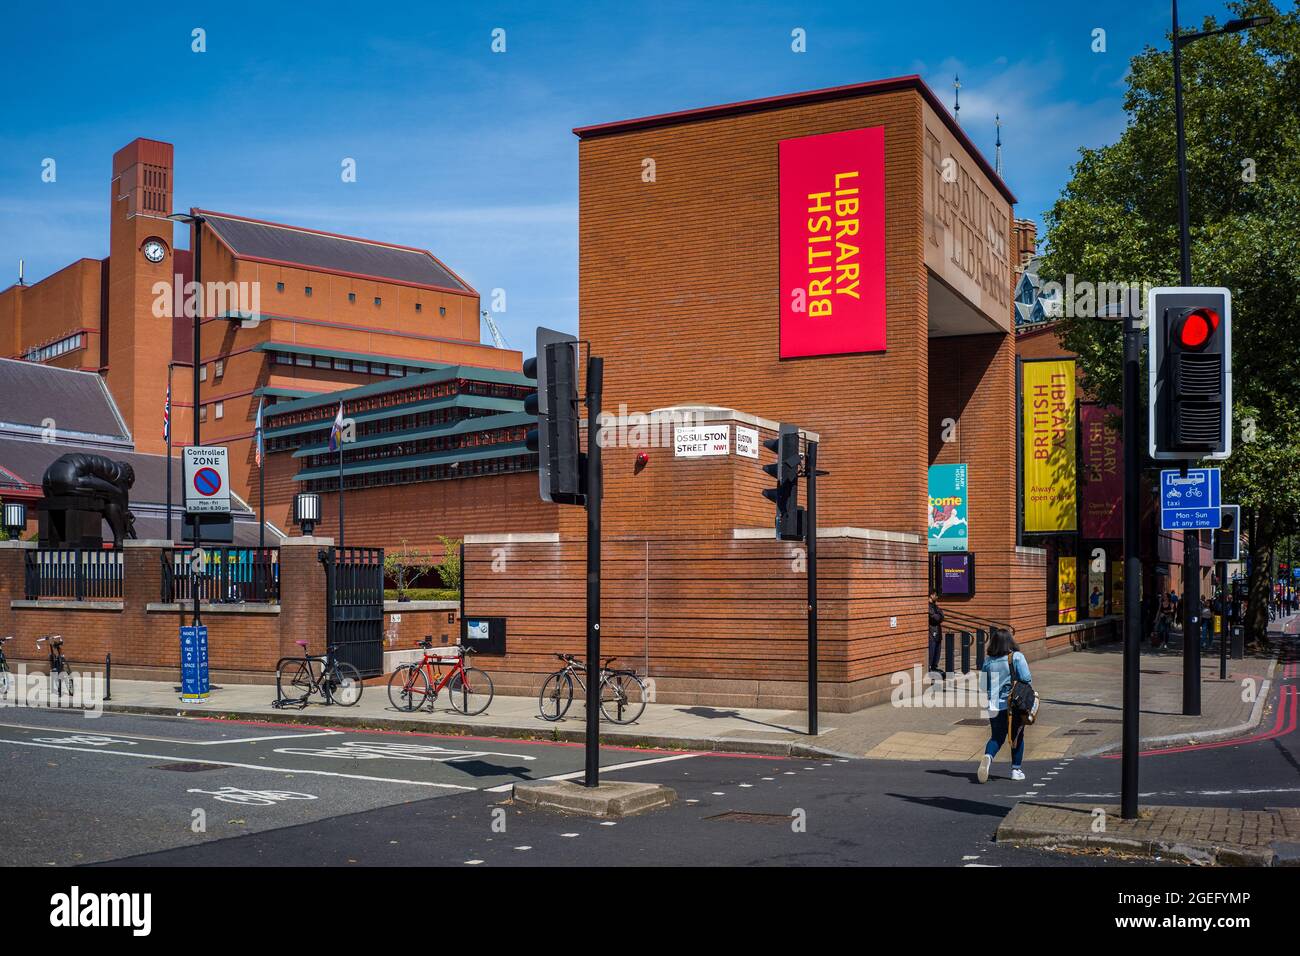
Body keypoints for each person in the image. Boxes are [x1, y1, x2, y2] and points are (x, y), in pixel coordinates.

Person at [977, 627, 1032, 783]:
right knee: (1017, 736)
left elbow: (982, 685)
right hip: (1013, 705)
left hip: (993, 705)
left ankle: (988, 756)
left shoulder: (988, 661)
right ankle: (1016, 770)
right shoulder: (1016, 657)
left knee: (996, 737)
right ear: (1009, 641)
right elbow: (1026, 679)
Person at [927, 589, 945, 682]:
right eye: (936, 595)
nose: (937, 597)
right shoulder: (928, 607)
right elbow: (935, 618)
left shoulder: (935, 606)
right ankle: (930, 669)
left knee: (937, 653)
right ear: (931, 595)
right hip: (932, 633)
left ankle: (934, 668)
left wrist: (939, 616)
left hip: (938, 633)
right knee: (932, 653)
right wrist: (939, 616)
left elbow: (942, 616)